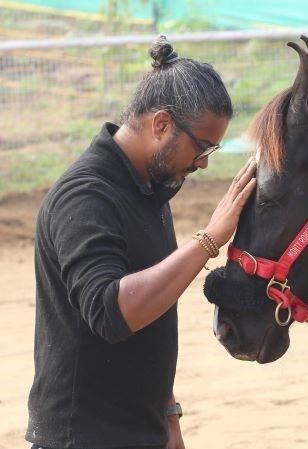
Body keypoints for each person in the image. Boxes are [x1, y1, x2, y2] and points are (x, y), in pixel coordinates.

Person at [26, 36, 256, 449]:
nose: (204, 162)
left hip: (141, 432)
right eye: (202, 146)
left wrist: (169, 420)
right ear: (162, 124)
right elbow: (113, 312)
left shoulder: (149, 190)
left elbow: (153, 318)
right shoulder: (85, 197)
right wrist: (208, 240)